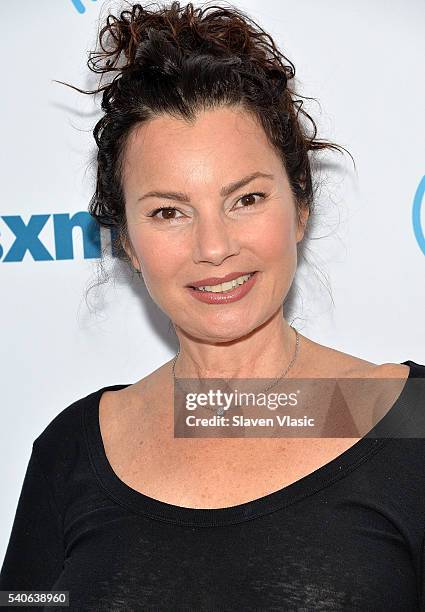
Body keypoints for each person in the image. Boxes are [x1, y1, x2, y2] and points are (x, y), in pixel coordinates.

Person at [1, 1, 424, 610]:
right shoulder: (71, 449)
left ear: (299, 206)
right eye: (168, 212)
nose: (214, 247)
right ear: (128, 242)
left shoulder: (412, 426)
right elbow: (26, 604)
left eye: (246, 199)